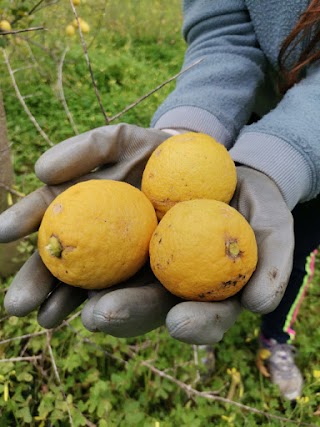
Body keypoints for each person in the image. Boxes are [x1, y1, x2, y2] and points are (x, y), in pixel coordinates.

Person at [0, 0, 319, 400]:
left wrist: (288, 154)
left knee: (292, 255)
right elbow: (224, 33)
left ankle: (275, 337)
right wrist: (184, 131)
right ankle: (205, 334)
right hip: (233, 128)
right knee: (213, 280)